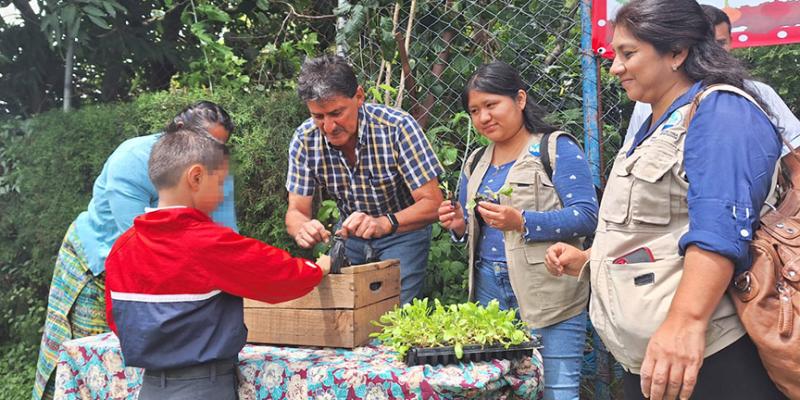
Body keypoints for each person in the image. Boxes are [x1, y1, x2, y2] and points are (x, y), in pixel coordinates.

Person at [544, 1, 787, 399]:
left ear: (677, 52)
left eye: (628, 53)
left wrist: (685, 322)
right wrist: (594, 261)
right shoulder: (656, 122)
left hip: (707, 355)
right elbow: (662, 227)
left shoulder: (721, 111)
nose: (615, 67)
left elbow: (720, 230)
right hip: (657, 358)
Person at [33, 101, 238, 400]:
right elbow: (138, 243)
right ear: (179, 132)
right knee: (95, 362)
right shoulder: (132, 159)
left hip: (160, 275)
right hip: (98, 267)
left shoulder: (214, 170)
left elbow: (225, 239)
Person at [105, 129, 328, 399]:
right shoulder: (207, 242)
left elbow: (116, 317)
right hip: (204, 387)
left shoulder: (122, 247)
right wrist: (318, 269)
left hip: (150, 387)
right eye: (220, 183)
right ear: (196, 177)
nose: (222, 195)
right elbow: (277, 275)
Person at [437, 61, 598, 400]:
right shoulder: (476, 161)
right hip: (488, 292)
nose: (483, 117)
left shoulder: (554, 148)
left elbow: (587, 217)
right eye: (475, 110)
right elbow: (473, 230)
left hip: (549, 292)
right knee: (497, 392)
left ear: (520, 99)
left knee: (558, 392)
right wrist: (458, 226)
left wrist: (523, 221)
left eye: (492, 105)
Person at [285, 55, 444, 304]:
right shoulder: (305, 138)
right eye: (318, 117)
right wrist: (302, 228)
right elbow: (296, 211)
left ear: (359, 97)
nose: (328, 126)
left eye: (336, 113)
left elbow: (433, 204)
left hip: (402, 230)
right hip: (349, 235)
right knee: (346, 312)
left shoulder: (397, 127)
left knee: (394, 314)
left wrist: (384, 223)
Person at [624, 4, 800, 155]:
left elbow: (795, 146)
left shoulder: (758, 93)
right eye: (707, 45)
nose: (713, 52)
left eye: (721, 43)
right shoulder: (651, 102)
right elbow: (630, 157)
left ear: (731, 42)